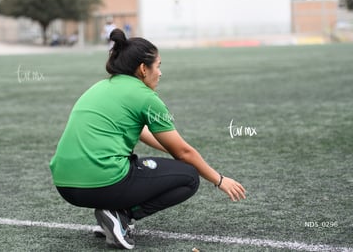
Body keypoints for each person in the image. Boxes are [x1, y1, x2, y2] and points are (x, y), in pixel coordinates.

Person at [49, 28, 246, 250]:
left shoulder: (101, 87)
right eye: (158, 66)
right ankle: (121, 216)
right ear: (143, 69)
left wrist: (173, 151)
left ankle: (113, 214)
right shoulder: (146, 97)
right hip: (103, 183)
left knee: (165, 165)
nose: (160, 73)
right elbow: (184, 153)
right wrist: (219, 179)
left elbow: (143, 132)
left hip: (65, 186)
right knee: (189, 176)